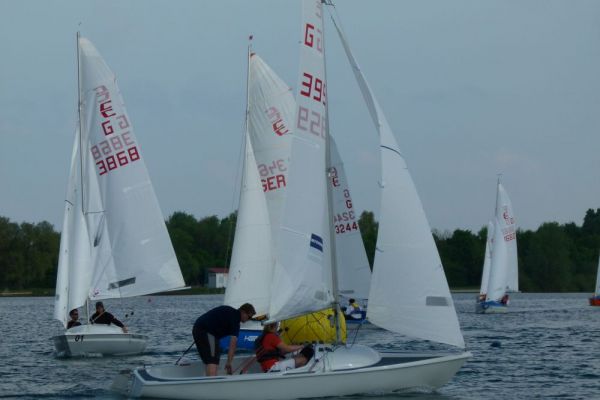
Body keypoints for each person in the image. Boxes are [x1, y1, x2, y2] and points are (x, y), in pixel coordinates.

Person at [192, 303, 256, 376]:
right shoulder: (235, 318)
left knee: (210, 360)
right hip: (206, 331)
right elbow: (233, 344)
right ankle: (212, 384)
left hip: (200, 329)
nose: (249, 319)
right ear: (243, 312)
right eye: (249, 317)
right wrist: (229, 363)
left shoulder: (231, 313)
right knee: (212, 360)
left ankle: (209, 381)